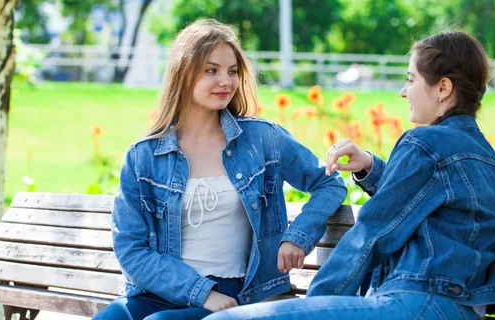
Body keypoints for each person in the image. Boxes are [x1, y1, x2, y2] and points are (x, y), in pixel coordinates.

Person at [205, 31, 495, 320]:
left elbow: (372, 233)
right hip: (462, 309)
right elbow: (425, 203)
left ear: (443, 88)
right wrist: (369, 166)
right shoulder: (494, 164)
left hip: (415, 302)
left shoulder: (425, 143)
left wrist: (318, 304)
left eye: (411, 79)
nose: (404, 92)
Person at [93, 19, 347, 320]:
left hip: (237, 295)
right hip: (163, 292)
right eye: (211, 70)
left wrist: (298, 236)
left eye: (232, 71)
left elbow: (329, 183)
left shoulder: (263, 139)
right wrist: (202, 293)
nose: (225, 81)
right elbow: (131, 249)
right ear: (183, 74)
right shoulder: (143, 157)